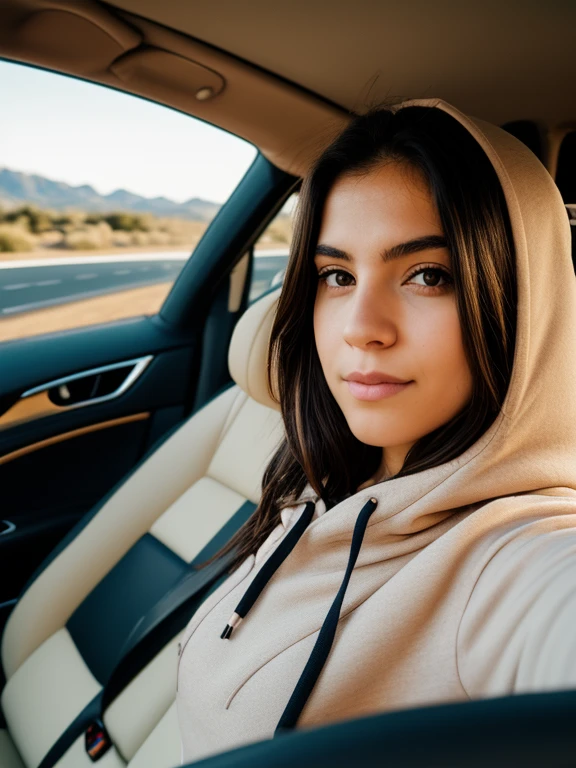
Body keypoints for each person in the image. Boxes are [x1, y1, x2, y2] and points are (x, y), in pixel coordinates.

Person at [176, 98, 576, 764]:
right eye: (337, 275)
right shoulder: (316, 482)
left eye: (428, 275)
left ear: (521, 303)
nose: (361, 325)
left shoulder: (512, 559)